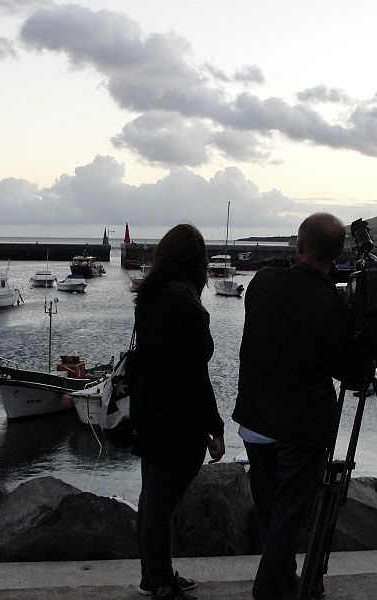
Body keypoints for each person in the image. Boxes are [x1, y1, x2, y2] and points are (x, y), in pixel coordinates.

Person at [232, 212, 356, 600]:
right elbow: (349, 374)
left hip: (254, 420)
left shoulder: (262, 283)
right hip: (302, 428)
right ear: (336, 256)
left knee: (272, 513)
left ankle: (285, 583)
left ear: (299, 246)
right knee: (290, 516)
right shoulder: (330, 305)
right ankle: (270, 589)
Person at [133, 223, 226, 600]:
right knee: (160, 507)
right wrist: (215, 427)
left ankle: (152, 575)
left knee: (150, 500)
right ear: (197, 263)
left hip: (149, 417)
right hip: (179, 422)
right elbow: (194, 377)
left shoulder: (148, 301)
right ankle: (160, 583)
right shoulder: (188, 309)